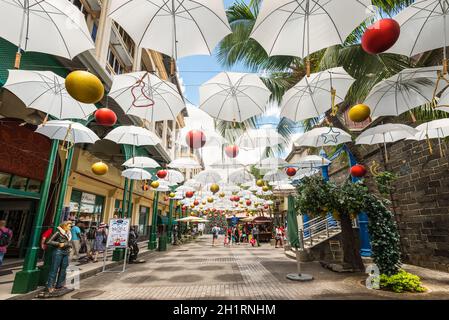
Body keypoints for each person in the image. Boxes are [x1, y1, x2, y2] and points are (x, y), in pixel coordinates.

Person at [45, 221, 73, 293]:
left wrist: (69, 246)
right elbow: (48, 241)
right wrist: (59, 244)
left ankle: (59, 285)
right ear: (64, 226)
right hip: (58, 252)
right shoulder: (58, 233)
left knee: (64, 269)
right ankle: (50, 286)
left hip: (66, 252)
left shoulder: (68, 234)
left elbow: (68, 243)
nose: (70, 228)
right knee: (54, 269)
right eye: (69, 226)